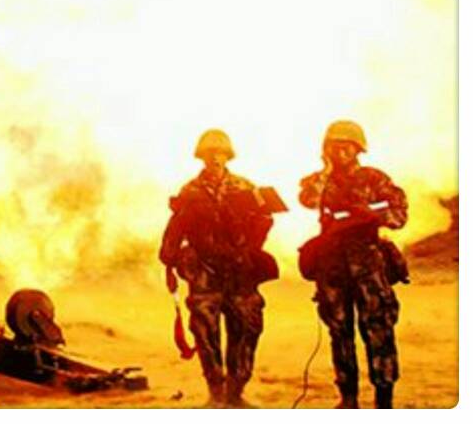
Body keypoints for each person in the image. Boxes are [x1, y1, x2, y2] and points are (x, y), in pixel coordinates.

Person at [159, 129, 284, 407]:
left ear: (228, 156)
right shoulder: (190, 191)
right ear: (201, 157)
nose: (215, 158)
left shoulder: (245, 187)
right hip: (205, 272)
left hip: (240, 272)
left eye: (220, 153)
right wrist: (171, 257)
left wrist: (251, 243)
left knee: (247, 328)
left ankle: (236, 393)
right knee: (205, 332)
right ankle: (216, 393)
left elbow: (265, 221)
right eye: (209, 154)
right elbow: (176, 227)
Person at [298, 120, 408, 409]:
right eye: (334, 147)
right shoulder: (321, 181)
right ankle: (348, 399)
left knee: (378, 331)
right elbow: (307, 199)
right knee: (339, 333)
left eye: (346, 146)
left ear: (358, 149)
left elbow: (399, 215)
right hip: (332, 268)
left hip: (368, 267)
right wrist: (325, 172)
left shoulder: (374, 179)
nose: (340, 152)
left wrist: (373, 216)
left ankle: (384, 401)